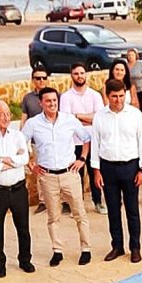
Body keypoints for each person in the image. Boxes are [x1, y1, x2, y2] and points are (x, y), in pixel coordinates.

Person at [21, 86, 93, 266]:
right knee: (53, 217)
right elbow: (21, 143)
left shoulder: (69, 120)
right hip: (48, 176)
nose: (52, 104)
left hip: (70, 173)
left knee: (79, 213)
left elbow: (86, 138)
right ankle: (57, 250)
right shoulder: (33, 123)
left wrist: (82, 159)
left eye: (54, 100)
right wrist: (31, 164)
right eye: (48, 101)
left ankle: (85, 249)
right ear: (41, 103)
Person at [91, 79, 142, 264]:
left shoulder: (135, 115)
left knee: (132, 210)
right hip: (108, 168)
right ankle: (117, 245)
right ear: (107, 96)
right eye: (114, 96)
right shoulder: (100, 116)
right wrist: (96, 171)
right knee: (113, 209)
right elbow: (96, 143)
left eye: (121, 96)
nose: (118, 100)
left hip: (130, 167)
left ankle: (135, 247)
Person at [0, 100, 35, 278]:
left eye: (8, 114)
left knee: (23, 227)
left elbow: (24, 158)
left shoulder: (17, 135)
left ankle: (25, 259)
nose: (6, 117)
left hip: (18, 189)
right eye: (2, 114)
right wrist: (12, 160)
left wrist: (2, 159)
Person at [61, 63, 107, 215]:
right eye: (76, 73)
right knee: (75, 175)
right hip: (74, 142)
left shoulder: (95, 95)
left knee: (95, 171)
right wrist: (88, 118)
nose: (79, 76)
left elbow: (99, 118)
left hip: (93, 141)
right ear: (71, 76)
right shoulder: (66, 97)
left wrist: (77, 116)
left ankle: (98, 201)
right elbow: (67, 121)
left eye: (82, 73)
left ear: (86, 74)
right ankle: (76, 205)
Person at [21, 69, 51, 215]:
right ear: (33, 80)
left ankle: (62, 200)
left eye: (43, 78)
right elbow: (24, 119)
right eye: (37, 78)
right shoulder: (28, 99)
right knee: (40, 171)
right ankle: (42, 201)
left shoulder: (53, 95)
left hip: (53, 140)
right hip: (36, 142)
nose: (41, 81)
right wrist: (22, 142)